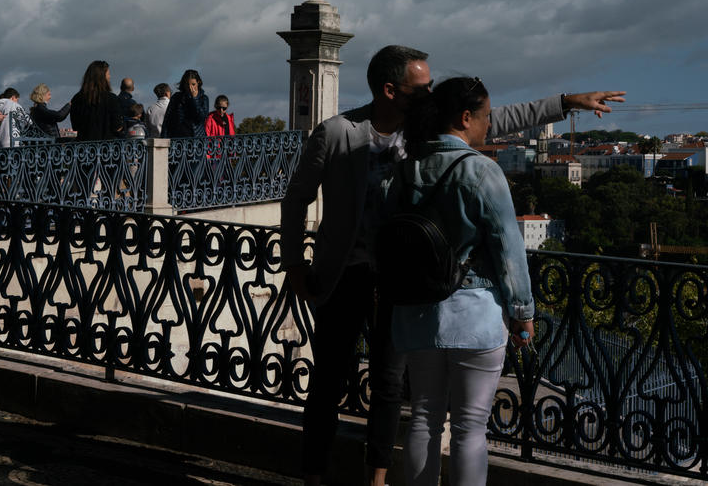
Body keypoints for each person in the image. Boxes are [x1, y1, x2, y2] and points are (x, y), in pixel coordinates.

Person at [280, 44, 626, 486]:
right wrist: (295, 264)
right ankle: (313, 478)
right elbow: (296, 199)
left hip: (401, 281)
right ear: (390, 90)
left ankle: (377, 481)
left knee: (390, 388)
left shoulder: (421, 131)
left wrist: (565, 103)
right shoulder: (337, 133)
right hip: (342, 275)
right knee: (327, 385)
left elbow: (489, 120)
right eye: (420, 88)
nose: (430, 95)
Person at [383, 76, 534, 486]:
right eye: (485, 117)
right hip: (474, 314)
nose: (489, 126)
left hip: (415, 312)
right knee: (470, 429)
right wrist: (523, 313)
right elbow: (508, 248)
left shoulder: (406, 168)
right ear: (466, 118)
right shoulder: (482, 171)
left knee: (424, 420)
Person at [70, 60, 123, 141]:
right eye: (108, 74)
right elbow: (117, 126)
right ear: (102, 77)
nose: (110, 77)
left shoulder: (77, 98)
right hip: (106, 148)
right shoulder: (111, 98)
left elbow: (75, 126)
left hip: (83, 148)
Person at [162, 69, 208, 138]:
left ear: (198, 82)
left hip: (197, 140)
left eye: (193, 84)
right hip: (179, 139)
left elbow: (201, 118)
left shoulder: (203, 98)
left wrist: (194, 99)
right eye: (187, 84)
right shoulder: (176, 97)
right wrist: (163, 139)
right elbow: (167, 120)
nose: (190, 88)